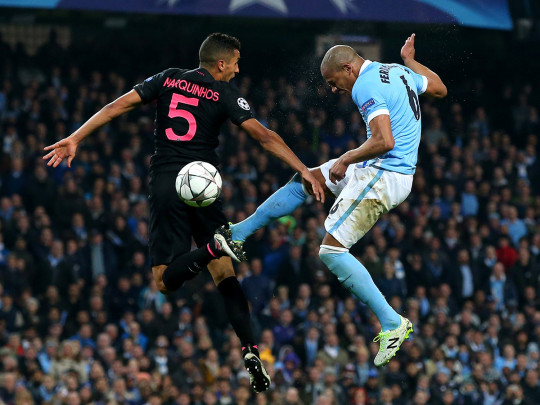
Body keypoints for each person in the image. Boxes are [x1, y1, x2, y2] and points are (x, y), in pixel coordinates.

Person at [43, 32, 324, 393]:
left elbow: (117, 106)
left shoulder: (168, 78)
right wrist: (303, 169)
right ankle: (250, 347)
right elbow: (265, 137)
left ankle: (214, 249)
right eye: (235, 63)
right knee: (224, 274)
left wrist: (76, 137)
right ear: (221, 63)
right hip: (204, 185)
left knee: (164, 281)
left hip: (167, 183)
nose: (238, 70)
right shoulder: (224, 94)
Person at [229, 33, 447, 366]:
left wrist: (346, 158)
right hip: (381, 168)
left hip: (385, 174)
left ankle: (392, 322)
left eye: (334, 82)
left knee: (330, 251)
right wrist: (410, 60)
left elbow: (385, 140)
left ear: (348, 68)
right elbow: (439, 89)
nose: (334, 89)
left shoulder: (364, 86)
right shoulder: (397, 71)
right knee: (307, 179)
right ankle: (239, 233)